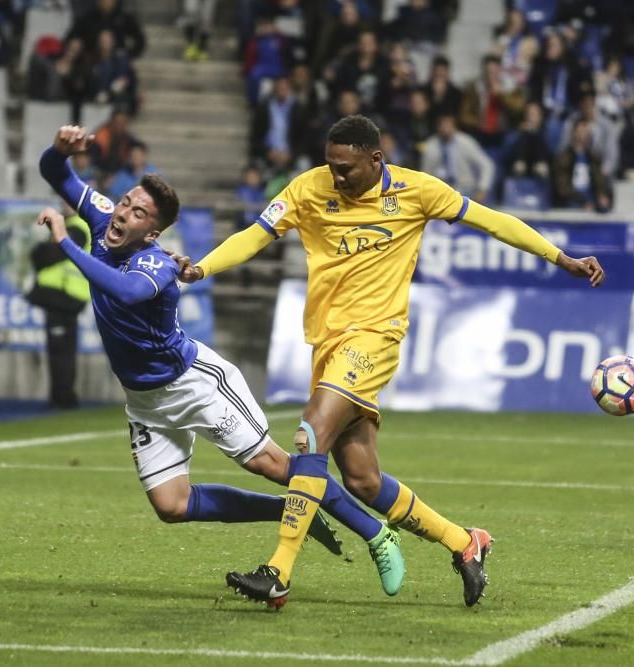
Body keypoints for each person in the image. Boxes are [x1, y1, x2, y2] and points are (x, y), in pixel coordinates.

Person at [176, 114, 605, 608]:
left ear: (376, 159)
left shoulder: (417, 191)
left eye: (346, 168)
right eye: (330, 166)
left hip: (375, 338)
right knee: (361, 479)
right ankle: (466, 543)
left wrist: (561, 257)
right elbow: (255, 234)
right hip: (327, 344)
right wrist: (202, 267)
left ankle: (278, 572)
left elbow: (492, 220)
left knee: (310, 432)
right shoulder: (307, 189)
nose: (336, 177)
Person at [39, 125, 405, 600]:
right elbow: (54, 172)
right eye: (125, 201)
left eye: (138, 212)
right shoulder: (104, 215)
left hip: (195, 384)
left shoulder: (158, 265)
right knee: (171, 505)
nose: (123, 212)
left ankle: (377, 532)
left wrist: (65, 244)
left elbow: (124, 292)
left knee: (275, 464)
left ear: (153, 231)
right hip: (145, 400)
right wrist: (60, 150)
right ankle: (290, 510)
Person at [26, 206, 91, 409]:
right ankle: (62, 395)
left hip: (63, 295)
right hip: (62, 296)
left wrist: (40, 251)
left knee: (60, 349)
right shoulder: (76, 226)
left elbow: (49, 254)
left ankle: (63, 397)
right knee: (62, 348)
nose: (65, 204)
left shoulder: (77, 228)